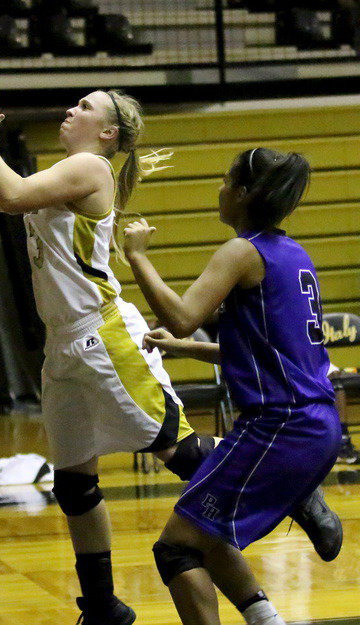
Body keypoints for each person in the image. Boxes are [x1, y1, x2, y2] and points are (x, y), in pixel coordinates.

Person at [0, 84, 341, 625]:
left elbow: (10, 193)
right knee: (74, 483)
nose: (70, 110)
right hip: (61, 344)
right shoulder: (61, 173)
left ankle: (297, 488)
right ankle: (103, 606)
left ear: (107, 134)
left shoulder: (92, 169)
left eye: (84, 107)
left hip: (100, 334)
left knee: (174, 450)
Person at [124, 148, 342, 625]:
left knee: (176, 548)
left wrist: (137, 258)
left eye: (226, 181)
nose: (218, 189)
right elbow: (270, 354)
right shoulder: (295, 255)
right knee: (207, 530)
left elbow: (181, 318)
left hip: (282, 425)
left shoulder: (243, 252)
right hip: (311, 421)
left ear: (243, 195)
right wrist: (186, 351)